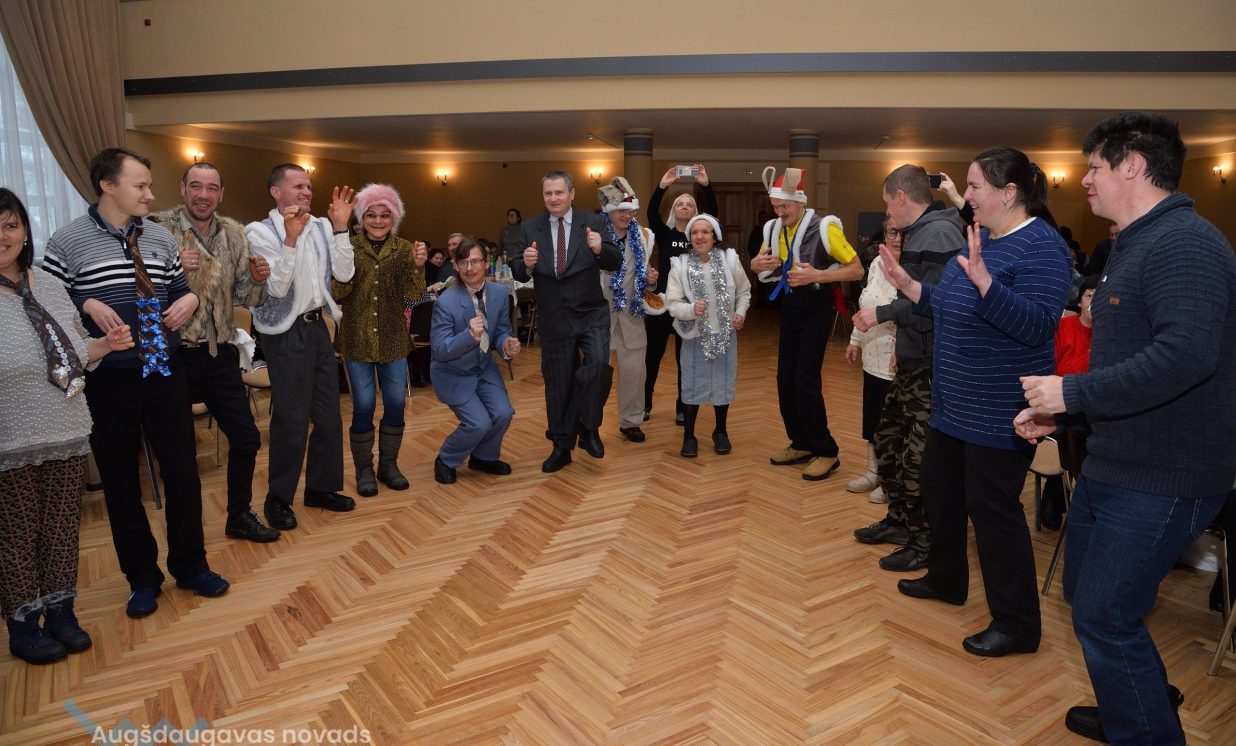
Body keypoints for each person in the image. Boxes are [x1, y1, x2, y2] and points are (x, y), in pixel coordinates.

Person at [1017, 111, 1235, 744]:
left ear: (1133, 166)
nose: (1084, 179)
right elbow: (1128, 361)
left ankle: (1143, 728)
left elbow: (1185, 356)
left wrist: (1071, 391)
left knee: (1106, 613)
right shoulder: (1134, 244)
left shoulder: (1186, 244)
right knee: (1089, 598)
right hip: (1116, 461)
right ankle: (1135, 707)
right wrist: (1062, 411)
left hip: (1165, 474)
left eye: (1094, 167)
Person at [879, 147, 1071, 658]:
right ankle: (947, 579)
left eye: (974, 187)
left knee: (993, 512)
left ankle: (1017, 624)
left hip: (999, 411)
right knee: (939, 491)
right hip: (953, 405)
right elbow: (949, 304)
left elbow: (1037, 325)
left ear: (1009, 193)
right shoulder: (980, 236)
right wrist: (908, 285)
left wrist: (986, 284)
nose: (965, 196)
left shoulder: (1042, 246)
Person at [43, 147, 230, 619]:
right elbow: (47, 307)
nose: (150, 194)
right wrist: (85, 303)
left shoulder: (160, 239)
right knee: (122, 483)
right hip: (109, 381)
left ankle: (191, 566)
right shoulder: (66, 243)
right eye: (140, 185)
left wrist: (188, 301)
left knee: (183, 475)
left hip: (165, 373)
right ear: (108, 186)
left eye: (149, 185)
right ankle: (142, 578)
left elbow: (178, 290)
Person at [0, 188, 133, 663]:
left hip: (67, 427)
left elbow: (77, 351)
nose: (3, 236)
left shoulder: (51, 285)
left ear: (24, 231)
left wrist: (105, 345)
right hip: (10, 436)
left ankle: (61, 612)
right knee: (17, 534)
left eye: (10, 225)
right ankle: (23, 625)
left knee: (61, 529)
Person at [148, 163, 279, 543]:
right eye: (196, 186)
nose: (203, 195)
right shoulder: (158, 231)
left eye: (211, 188)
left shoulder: (234, 235)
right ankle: (185, 539)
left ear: (221, 194)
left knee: (247, 438)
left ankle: (238, 516)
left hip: (219, 352)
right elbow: (135, 288)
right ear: (183, 189)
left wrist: (258, 280)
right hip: (173, 354)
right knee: (179, 455)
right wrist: (170, 268)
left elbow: (244, 296)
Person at [851, 164, 966, 572]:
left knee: (918, 460)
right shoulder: (924, 232)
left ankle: (924, 542)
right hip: (914, 361)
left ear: (902, 197)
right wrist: (903, 344)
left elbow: (934, 302)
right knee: (888, 441)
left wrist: (880, 314)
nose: (888, 212)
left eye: (888, 203)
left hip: (933, 369)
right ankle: (900, 522)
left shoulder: (939, 234)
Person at [246, 164, 357, 531]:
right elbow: (276, 288)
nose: (307, 192)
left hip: (318, 328)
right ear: (276, 192)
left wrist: (340, 228)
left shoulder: (322, 226)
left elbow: (344, 274)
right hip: (284, 332)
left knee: (328, 415)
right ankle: (278, 498)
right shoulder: (259, 232)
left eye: (308, 186)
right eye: (297, 186)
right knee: (291, 419)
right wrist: (290, 239)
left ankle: (321, 489)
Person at [750, 166, 863, 480]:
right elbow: (762, 265)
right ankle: (801, 442)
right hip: (790, 305)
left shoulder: (825, 227)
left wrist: (819, 275)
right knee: (784, 379)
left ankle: (826, 450)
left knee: (805, 381)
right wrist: (755, 264)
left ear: (801, 202)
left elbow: (857, 269)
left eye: (784, 206)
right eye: (775, 206)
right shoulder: (773, 228)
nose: (779, 212)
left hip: (816, 305)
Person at [512, 170, 620, 473]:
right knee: (559, 383)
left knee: (598, 364)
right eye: (548, 193)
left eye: (559, 192)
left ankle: (589, 425)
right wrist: (525, 264)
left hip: (590, 312)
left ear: (571, 193)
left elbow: (615, 261)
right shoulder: (530, 227)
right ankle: (561, 447)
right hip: (554, 316)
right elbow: (518, 269)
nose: (553, 198)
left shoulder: (594, 222)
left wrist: (600, 249)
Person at [332, 184, 426, 497]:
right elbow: (338, 292)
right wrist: (343, 266)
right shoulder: (347, 246)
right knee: (364, 405)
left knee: (396, 404)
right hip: (357, 340)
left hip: (393, 340)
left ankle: (389, 465)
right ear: (361, 217)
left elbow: (414, 295)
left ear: (394, 218)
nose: (378, 220)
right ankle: (364, 470)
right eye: (371, 214)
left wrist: (418, 267)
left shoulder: (403, 248)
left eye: (385, 215)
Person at [430, 237, 521, 484]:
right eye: (463, 262)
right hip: (453, 372)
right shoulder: (445, 302)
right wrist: (469, 336)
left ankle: (483, 457)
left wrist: (506, 344)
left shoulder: (499, 293)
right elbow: (439, 349)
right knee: (478, 423)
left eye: (475, 261)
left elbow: (501, 330)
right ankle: (447, 458)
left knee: (503, 413)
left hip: (483, 367)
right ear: (455, 265)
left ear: (486, 263)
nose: (469, 268)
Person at [665, 214, 751, 457]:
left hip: (725, 336)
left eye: (705, 232)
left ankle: (720, 431)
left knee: (723, 384)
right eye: (695, 232)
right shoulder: (680, 265)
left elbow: (744, 292)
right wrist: (692, 309)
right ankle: (689, 436)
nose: (700, 236)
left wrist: (740, 313)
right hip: (694, 337)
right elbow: (672, 304)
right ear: (689, 237)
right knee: (691, 384)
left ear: (715, 237)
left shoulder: (730, 260)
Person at [645, 165, 718, 425]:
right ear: (674, 210)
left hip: (688, 307)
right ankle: (644, 404)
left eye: (689, 204)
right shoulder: (665, 234)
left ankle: (682, 407)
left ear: (695, 212)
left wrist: (706, 185)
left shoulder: (699, 237)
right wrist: (662, 186)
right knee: (652, 357)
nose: (685, 207)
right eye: (680, 204)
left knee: (685, 360)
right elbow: (651, 213)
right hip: (663, 303)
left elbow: (714, 214)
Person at [597, 177, 661, 443]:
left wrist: (651, 280)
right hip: (600, 316)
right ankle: (588, 423)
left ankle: (631, 421)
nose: (627, 216)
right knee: (596, 373)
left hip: (632, 316)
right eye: (621, 210)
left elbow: (643, 274)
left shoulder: (643, 236)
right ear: (609, 211)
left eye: (631, 210)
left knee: (635, 372)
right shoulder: (595, 235)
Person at [1039, 273, 1100, 530]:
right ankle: (1072, 490)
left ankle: (1061, 493)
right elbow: (1050, 368)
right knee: (1072, 427)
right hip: (1062, 404)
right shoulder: (1064, 328)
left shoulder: (1110, 336)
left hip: (1096, 409)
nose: (1094, 302)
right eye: (1089, 296)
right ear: (1080, 300)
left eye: (1100, 297)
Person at [844, 218, 899, 503]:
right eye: (892, 232)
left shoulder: (915, 268)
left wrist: (902, 349)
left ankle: (892, 480)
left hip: (895, 359)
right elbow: (866, 303)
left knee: (893, 422)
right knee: (873, 418)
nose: (898, 238)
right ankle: (873, 471)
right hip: (871, 355)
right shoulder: (877, 263)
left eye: (903, 233)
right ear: (884, 235)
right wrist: (855, 339)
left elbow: (913, 314)